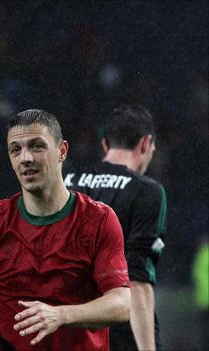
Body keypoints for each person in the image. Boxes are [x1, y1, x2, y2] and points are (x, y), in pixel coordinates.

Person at [0, 109, 131, 350]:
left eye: (36, 146)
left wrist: (61, 315)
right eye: (15, 149)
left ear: (62, 151)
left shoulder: (98, 219)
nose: (25, 158)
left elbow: (121, 304)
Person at [64, 105, 166, 350]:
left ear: (105, 145)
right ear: (145, 143)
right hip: (117, 327)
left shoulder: (65, 181)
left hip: (65, 324)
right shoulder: (147, 191)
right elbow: (138, 280)